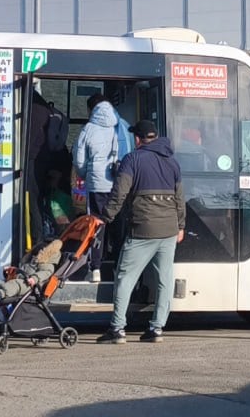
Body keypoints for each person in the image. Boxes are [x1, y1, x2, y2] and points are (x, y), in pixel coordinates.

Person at [96, 119, 184, 345]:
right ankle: (156, 329)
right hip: (169, 229)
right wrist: (181, 226)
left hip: (143, 228)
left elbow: (119, 193)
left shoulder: (132, 159)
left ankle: (117, 329)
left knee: (125, 277)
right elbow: (179, 198)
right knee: (164, 279)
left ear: (137, 139)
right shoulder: (172, 162)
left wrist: (105, 217)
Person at [74, 93, 125, 282]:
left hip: (96, 184)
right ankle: (118, 268)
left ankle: (95, 269)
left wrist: (83, 175)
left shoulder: (88, 128)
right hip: (118, 184)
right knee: (117, 227)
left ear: (92, 110)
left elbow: (79, 159)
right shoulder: (120, 126)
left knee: (96, 226)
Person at [0, 238, 64, 304]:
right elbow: (24, 269)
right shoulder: (34, 260)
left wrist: (34, 279)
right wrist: (14, 269)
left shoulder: (48, 265)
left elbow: (45, 273)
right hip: (23, 279)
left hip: (32, 286)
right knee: (4, 282)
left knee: (14, 284)